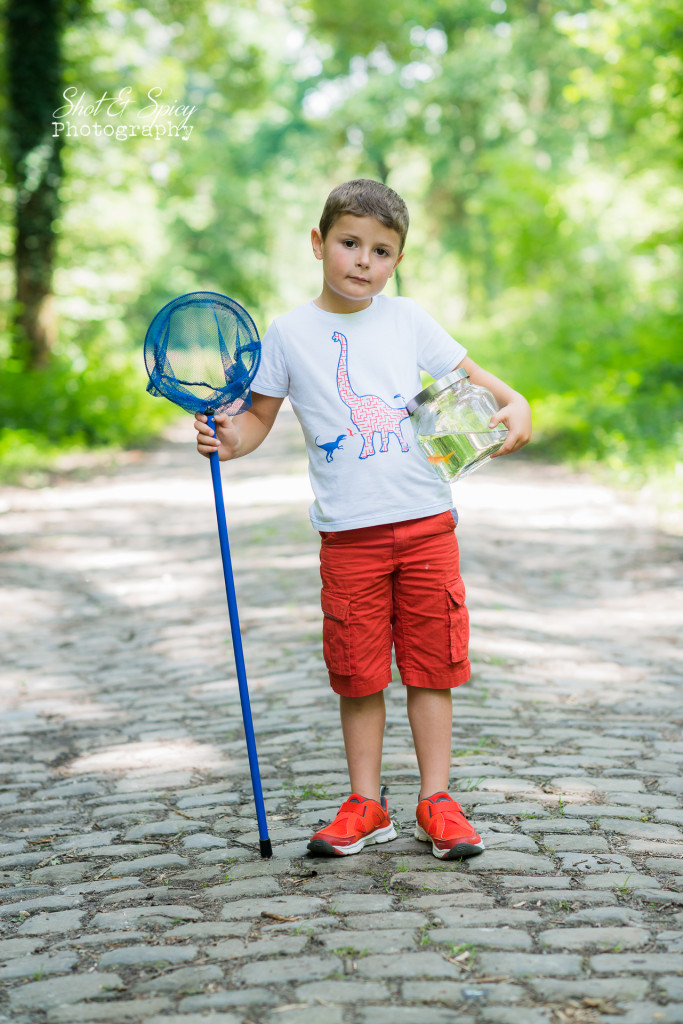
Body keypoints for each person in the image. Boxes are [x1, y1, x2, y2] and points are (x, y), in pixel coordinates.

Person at [195, 179, 532, 860]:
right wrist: (226, 441)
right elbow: (257, 418)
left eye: (381, 251)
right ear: (319, 243)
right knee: (357, 671)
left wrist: (515, 401)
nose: (363, 261)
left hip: (426, 524)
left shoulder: (407, 319)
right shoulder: (287, 334)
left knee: (431, 666)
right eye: (349, 243)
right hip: (348, 535)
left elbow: (485, 382)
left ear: (396, 260)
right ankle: (365, 801)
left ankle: (436, 799)